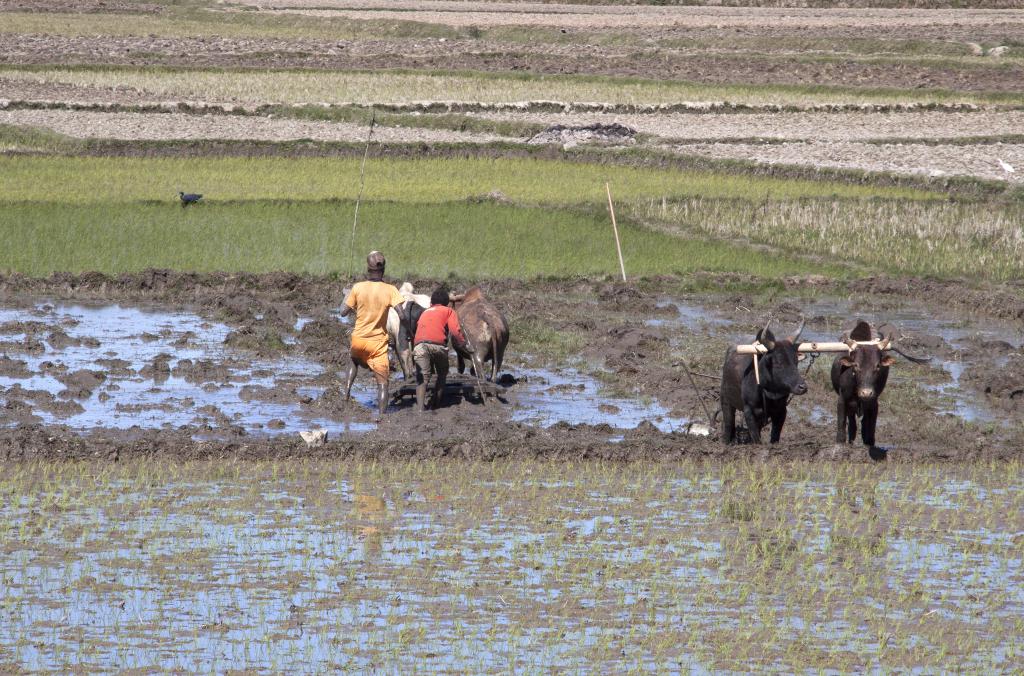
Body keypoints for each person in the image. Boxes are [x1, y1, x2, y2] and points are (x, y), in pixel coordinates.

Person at [340, 251, 405, 419]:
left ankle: (346, 395)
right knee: (383, 384)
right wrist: (409, 331)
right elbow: (402, 315)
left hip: (358, 340)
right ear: (384, 269)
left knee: (353, 360)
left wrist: (348, 296)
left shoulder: (358, 287)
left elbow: (343, 312)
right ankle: (382, 417)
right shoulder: (391, 290)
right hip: (377, 345)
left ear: (367, 268)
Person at [412, 288, 472, 411]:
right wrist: (464, 344)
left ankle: (420, 409)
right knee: (442, 373)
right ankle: (436, 403)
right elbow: (455, 331)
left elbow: (418, 329)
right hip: (437, 346)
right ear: (446, 302)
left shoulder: (425, 312)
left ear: (431, 302)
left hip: (419, 346)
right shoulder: (449, 311)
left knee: (422, 378)